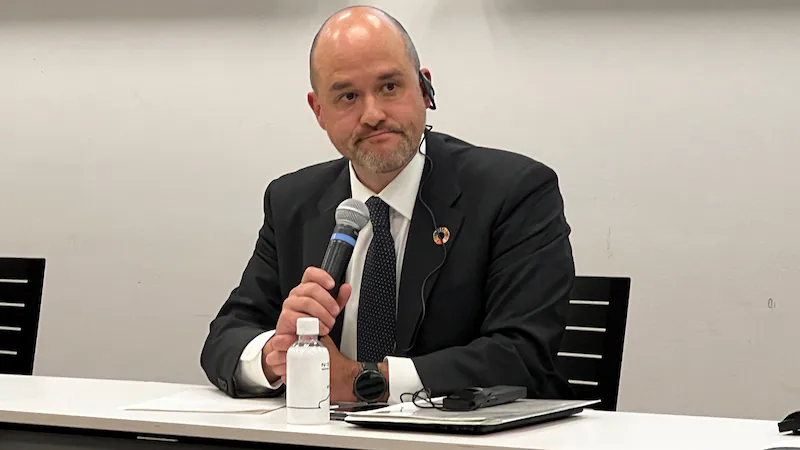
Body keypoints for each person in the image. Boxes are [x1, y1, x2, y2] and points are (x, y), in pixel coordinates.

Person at [201, 6, 576, 405]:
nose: (373, 115)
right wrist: (273, 356)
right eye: (348, 96)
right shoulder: (292, 201)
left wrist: (362, 382)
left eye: (390, 87)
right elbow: (227, 337)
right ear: (319, 111)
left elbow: (521, 354)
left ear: (425, 89)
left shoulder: (513, 192)